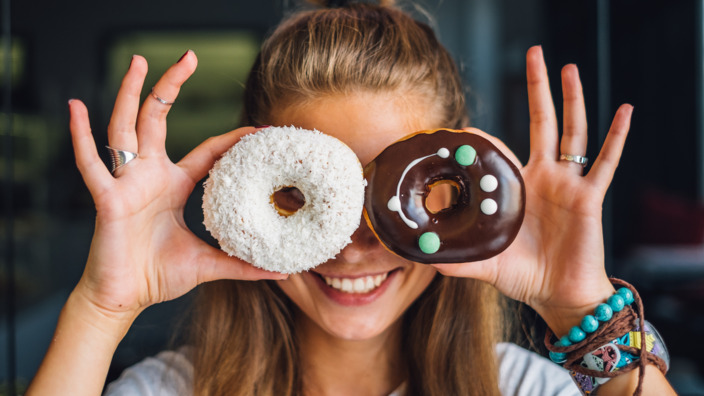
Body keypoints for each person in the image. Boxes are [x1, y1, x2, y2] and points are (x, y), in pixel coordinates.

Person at [27, 1, 676, 395]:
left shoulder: (529, 388)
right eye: (308, 200)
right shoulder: (165, 391)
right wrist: (102, 308)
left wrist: (581, 310)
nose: (356, 243)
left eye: (392, 194)